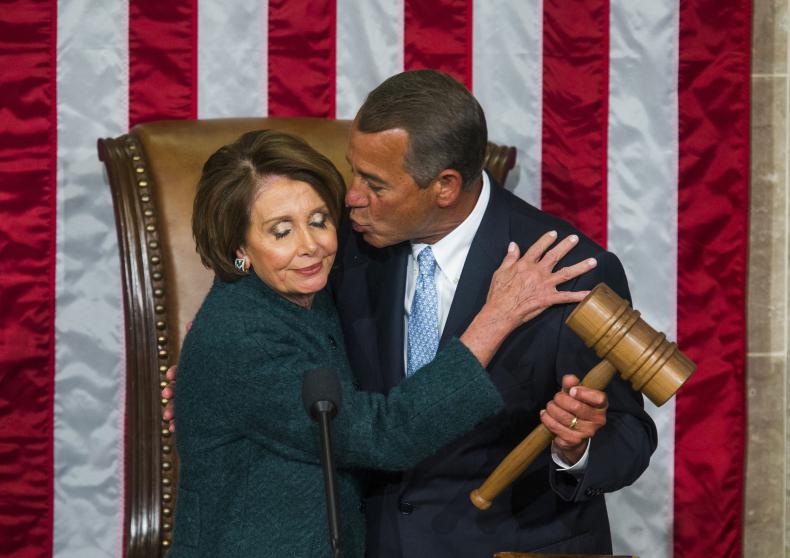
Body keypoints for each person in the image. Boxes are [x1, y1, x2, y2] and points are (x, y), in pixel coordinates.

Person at [168, 129, 595, 557]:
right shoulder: (240, 334)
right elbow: (383, 434)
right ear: (240, 246)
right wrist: (496, 317)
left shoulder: (308, 295)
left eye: (318, 220)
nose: (310, 245)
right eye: (281, 232)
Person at [328, 69, 657, 556]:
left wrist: (576, 448)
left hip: (509, 544)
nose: (353, 195)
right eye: (353, 171)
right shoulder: (344, 247)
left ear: (444, 186)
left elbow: (630, 434)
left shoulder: (567, 271)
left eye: (374, 184)